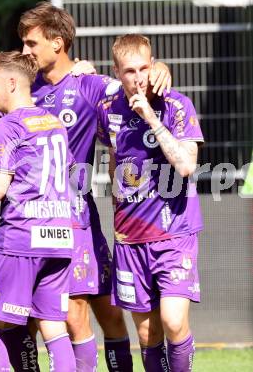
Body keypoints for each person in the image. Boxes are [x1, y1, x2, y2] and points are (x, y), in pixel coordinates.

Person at [0, 2, 172, 371]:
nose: (25, 51)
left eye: (31, 42)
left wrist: (159, 70)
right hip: (27, 215)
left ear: (58, 43)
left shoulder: (90, 85)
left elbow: (137, 89)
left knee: (79, 315)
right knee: (34, 317)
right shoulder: (20, 85)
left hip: (73, 218)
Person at [0, 50, 76, 371]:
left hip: (20, 239)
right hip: (60, 238)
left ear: (11, 83)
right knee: (53, 328)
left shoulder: (8, 125)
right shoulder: (53, 122)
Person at [97, 34, 204, 372]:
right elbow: (115, 158)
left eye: (145, 67)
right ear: (117, 72)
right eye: (130, 70)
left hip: (174, 233)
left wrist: (152, 119)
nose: (139, 76)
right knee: (147, 332)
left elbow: (186, 166)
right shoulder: (107, 110)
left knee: (173, 322)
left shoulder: (176, 105)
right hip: (130, 239)